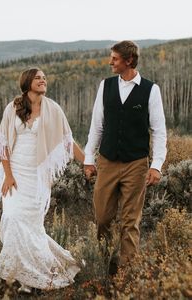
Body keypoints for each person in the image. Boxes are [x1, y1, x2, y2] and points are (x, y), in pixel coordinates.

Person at [0, 67, 84, 293]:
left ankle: (29, 281)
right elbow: (3, 146)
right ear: (27, 82)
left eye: (44, 77)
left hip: (38, 178)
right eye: (38, 78)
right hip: (14, 174)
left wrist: (88, 163)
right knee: (12, 219)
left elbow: (68, 143)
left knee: (32, 227)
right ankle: (26, 274)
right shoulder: (13, 109)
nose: (43, 80)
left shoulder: (54, 109)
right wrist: (9, 176)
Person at [84, 40, 167, 274]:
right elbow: (96, 126)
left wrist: (156, 165)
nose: (110, 62)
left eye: (115, 58)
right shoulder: (105, 86)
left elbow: (159, 131)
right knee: (102, 219)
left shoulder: (151, 90)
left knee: (131, 222)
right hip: (107, 161)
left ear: (129, 60)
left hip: (136, 164)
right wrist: (89, 158)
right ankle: (106, 267)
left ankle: (126, 276)